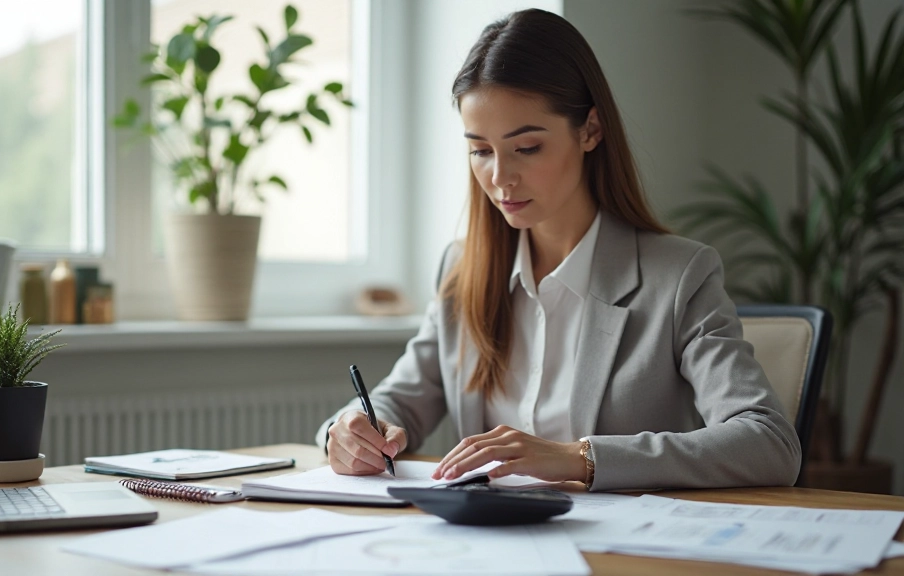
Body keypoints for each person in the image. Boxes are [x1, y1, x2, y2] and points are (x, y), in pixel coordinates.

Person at [317, 8, 801, 491]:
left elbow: (768, 442)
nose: (500, 177)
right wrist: (350, 433)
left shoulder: (678, 277)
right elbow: (394, 404)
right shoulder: (463, 268)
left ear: (590, 129)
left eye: (526, 148)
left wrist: (578, 458)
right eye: (481, 150)